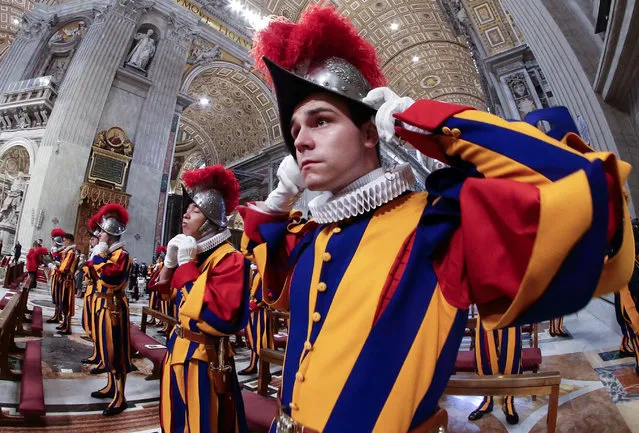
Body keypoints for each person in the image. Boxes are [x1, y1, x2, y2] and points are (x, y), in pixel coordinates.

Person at [238, 5, 633, 431]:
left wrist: (423, 122)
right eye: (295, 132)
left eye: (321, 121)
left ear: (370, 132)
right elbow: (260, 261)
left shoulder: (437, 225)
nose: (303, 142)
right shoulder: (313, 239)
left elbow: (581, 186)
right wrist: (279, 198)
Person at [148, 165, 249, 433]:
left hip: (205, 357)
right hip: (178, 348)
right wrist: (170, 264)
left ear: (210, 221)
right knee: (175, 421)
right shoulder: (197, 253)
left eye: (194, 211)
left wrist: (185, 268)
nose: (185, 214)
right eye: (187, 209)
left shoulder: (230, 258)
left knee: (203, 423)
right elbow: (166, 295)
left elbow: (220, 318)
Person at [86, 203, 132, 416]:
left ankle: (120, 396)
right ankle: (110, 386)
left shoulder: (121, 255)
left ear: (112, 234)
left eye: (103, 231)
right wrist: (97, 259)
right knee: (107, 349)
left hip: (114, 307)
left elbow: (110, 277)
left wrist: (97, 259)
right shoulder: (109, 253)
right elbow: (95, 276)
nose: (100, 234)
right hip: (104, 303)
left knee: (117, 352)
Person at [468, 319, 522, 424]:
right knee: (484, 353)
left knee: (511, 354)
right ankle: (487, 400)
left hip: (511, 306)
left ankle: (509, 401)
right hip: (485, 307)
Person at [81, 215, 102, 367]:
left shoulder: (104, 253)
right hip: (91, 290)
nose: (92, 241)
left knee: (96, 325)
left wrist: (85, 267)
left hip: (98, 293)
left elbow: (95, 273)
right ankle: (96, 353)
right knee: (88, 323)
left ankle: (100, 355)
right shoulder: (95, 252)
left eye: (94, 238)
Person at [56, 233, 78, 335]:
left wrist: (56, 268)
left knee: (67, 303)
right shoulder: (68, 252)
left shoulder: (71, 253)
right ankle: (64, 323)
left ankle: (68, 327)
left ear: (69, 240)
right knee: (63, 302)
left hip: (68, 281)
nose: (63, 242)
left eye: (64, 240)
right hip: (64, 280)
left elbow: (66, 268)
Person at [46, 228, 65, 324]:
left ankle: (58, 315)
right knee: (55, 296)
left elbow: (61, 264)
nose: (52, 243)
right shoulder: (57, 251)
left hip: (58, 276)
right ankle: (56, 314)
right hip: (54, 274)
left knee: (57, 296)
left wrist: (52, 263)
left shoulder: (61, 253)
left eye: (53, 241)